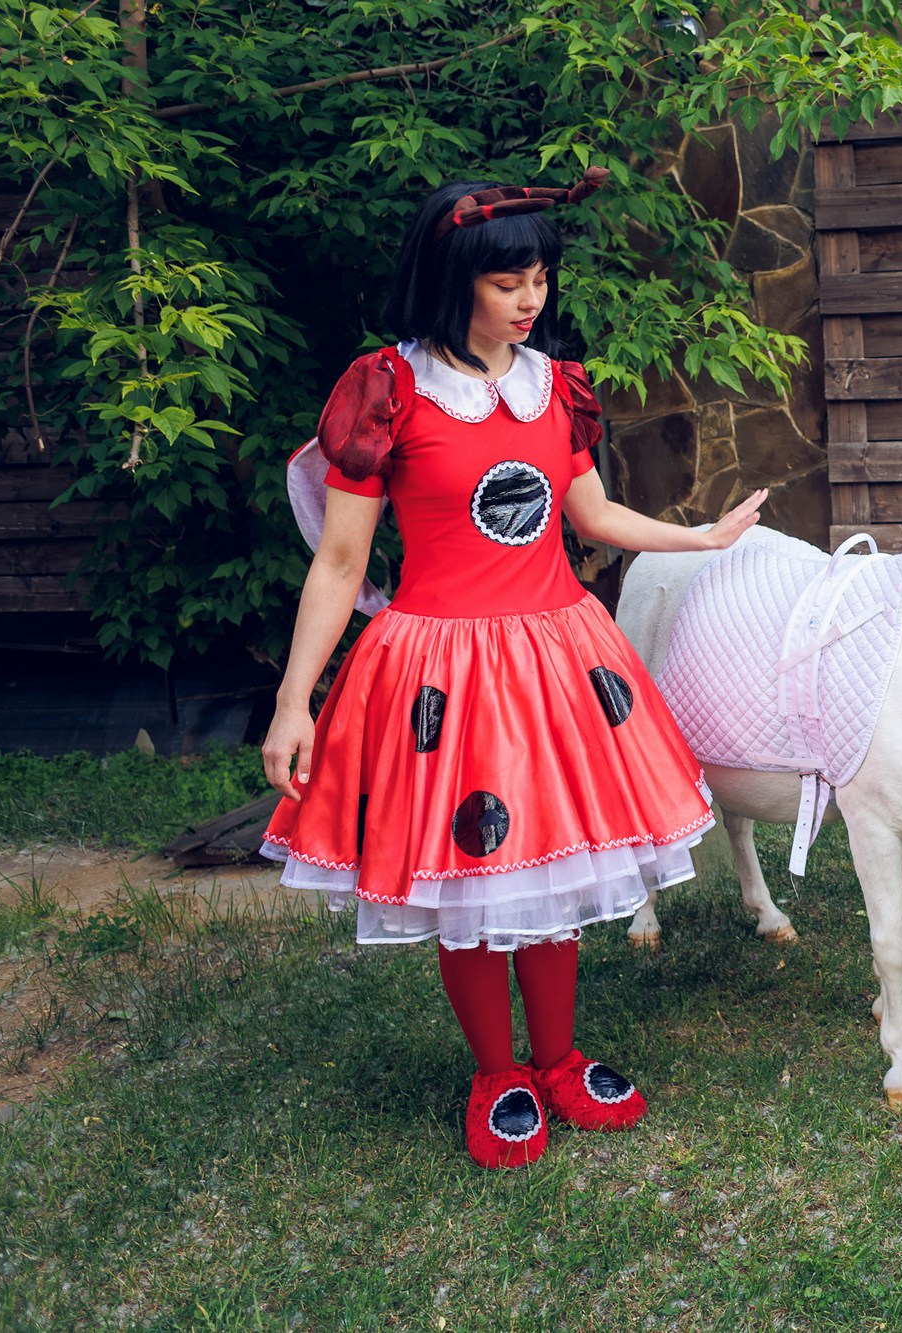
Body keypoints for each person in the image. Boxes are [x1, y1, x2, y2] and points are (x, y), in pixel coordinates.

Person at [259, 171, 766, 1167]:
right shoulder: (387, 391)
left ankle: (561, 1056)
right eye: (506, 282)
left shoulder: (555, 386)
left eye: (537, 277)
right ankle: (498, 1073)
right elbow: (340, 560)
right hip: (441, 663)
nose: (529, 298)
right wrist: (292, 700)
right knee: (470, 874)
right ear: (454, 281)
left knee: (556, 859)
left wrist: (700, 537)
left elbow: (591, 518)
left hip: (556, 653)